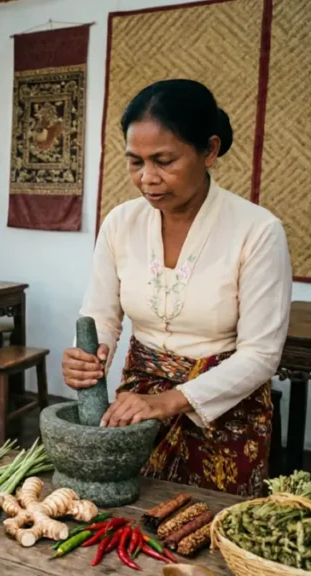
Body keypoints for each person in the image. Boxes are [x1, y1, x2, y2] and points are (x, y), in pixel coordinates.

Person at [62, 79, 292, 496]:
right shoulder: (120, 223)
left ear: (210, 150)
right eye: (135, 162)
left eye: (164, 161)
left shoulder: (257, 231)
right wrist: (87, 355)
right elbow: (100, 315)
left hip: (225, 416)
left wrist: (167, 402)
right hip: (136, 407)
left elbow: (261, 355)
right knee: (127, 510)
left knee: (206, 525)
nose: (147, 178)